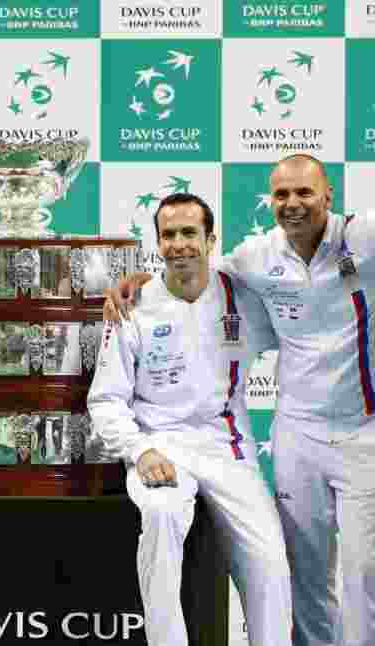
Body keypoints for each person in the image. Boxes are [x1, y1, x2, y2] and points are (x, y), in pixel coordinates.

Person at [105, 155, 375, 646]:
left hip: (360, 432)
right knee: (302, 575)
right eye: (281, 195)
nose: (293, 204)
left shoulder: (369, 237)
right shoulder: (254, 259)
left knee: (349, 572)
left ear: (329, 196)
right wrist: (138, 285)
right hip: (289, 435)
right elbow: (187, 282)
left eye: (304, 193)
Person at [87, 193, 293, 646]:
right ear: (158, 243)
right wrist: (140, 451)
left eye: (189, 233)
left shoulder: (245, 296)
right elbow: (105, 401)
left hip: (227, 447)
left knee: (270, 560)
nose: (179, 244)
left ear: (210, 238)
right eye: (168, 235)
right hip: (160, 446)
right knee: (160, 515)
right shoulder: (132, 305)